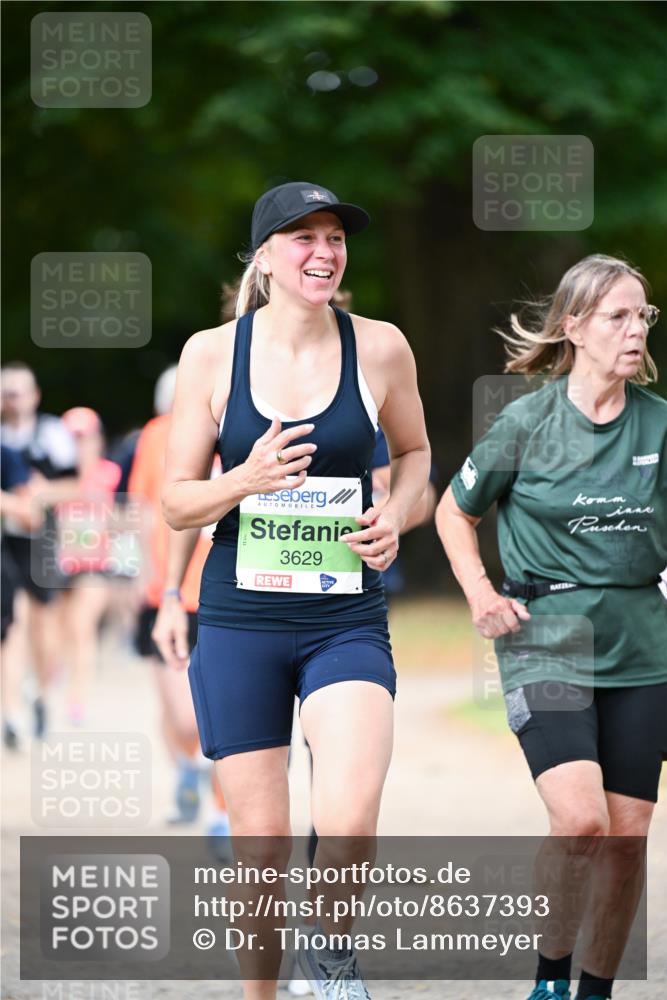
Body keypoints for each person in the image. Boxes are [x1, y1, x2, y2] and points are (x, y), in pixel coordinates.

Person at [162, 181, 430, 1000]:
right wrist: (241, 479)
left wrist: (397, 514)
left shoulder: (380, 347)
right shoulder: (213, 353)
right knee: (264, 841)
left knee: (347, 820)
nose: (323, 252)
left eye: (335, 238)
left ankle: (334, 956)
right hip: (241, 618)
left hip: (344, 616)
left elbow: (417, 458)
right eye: (302, 238)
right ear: (265, 257)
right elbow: (175, 501)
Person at [436, 255, 666, 1000]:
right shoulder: (526, 421)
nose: (634, 331)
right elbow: (453, 511)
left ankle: (595, 990)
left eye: (642, 317)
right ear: (573, 327)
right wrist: (477, 591)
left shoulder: (660, 425)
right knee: (579, 821)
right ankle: (546, 982)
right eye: (616, 317)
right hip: (547, 635)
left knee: (627, 840)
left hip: (643, 642)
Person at [130, 365, 230, 838]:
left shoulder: (239, 429)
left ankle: (221, 812)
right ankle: (191, 767)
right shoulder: (158, 435)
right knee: (180, 715)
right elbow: (145, 508)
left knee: (219, 709)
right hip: (169, 590)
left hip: (221, 591)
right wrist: (146, 578)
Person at [1, 362, 78, 739]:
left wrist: (35, 496)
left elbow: (73, 486)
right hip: (7, 541)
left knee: (43, 624)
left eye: (18, 391)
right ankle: (11, 708)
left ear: (34, 395)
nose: (12, 399)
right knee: (10, 624)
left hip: (41, 536)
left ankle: (42, 695)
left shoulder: (50, 433)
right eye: (6, 391)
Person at [56, 407, 122, 724]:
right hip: (59, 565)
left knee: (82, 627)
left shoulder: (111, 473)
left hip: (96, 564)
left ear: (98, 439)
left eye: (85, 438)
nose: (80, 445)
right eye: (73, 439)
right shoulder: (57, 473)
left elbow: (125, 518)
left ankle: (76, 700)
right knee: (63, 630)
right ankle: (55, 682)